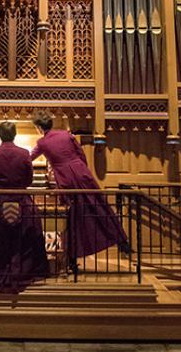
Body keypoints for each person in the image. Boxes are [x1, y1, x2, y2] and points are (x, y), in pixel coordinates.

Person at [30, 111, 130, 260]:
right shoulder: (66, 134)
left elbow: (28, 158)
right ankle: (121, 240)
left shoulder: (42, 143)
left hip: (65, 178)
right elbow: (81, 154)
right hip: (82, 172)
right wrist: (81, 170)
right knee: (99, 206)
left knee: (75, 216)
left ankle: (73, 255)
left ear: (39, 127)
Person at [0, 121, 49, 294]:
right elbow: (29, 180)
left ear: (0, 135)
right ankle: (25, 270)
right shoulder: (24, 153)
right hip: (20, 201)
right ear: (14, 135)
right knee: (31, 230)